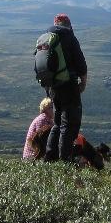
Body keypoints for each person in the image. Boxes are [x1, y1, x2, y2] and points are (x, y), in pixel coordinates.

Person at [43, 14, 88, 163]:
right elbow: (81, 63)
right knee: (69, 124)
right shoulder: (69, 37)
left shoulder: (47, 38)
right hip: (68, 86)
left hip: (52, 88)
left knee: (57, 123)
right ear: (69, 24)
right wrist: (83, 82)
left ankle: (50, 157)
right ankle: (65, 160)